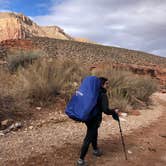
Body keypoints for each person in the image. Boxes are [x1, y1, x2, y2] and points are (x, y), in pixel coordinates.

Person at [77, 77, 119, 166]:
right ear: (102, 84)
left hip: (88, 118)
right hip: (95, 119)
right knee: (88, 137)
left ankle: (95, 150)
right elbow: (105, 110)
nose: (108, 85)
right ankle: (81, 160)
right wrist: (114, 111)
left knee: (94, 133)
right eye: (106, 83)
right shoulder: (103, 95)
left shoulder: (93, 92)